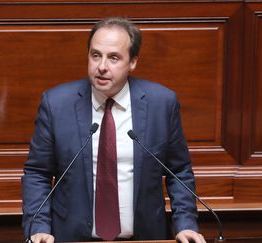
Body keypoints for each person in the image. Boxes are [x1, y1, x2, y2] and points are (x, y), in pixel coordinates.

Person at [22, 17, 206, 243]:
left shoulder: (162, 103)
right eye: (95, 55)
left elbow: (179, 171)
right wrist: (38, 226)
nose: (101, 66)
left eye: (114, 58)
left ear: (133, 62)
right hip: (71, 239)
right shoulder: (56, 104)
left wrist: (185, 224)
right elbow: (37, 173)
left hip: (145, 239)